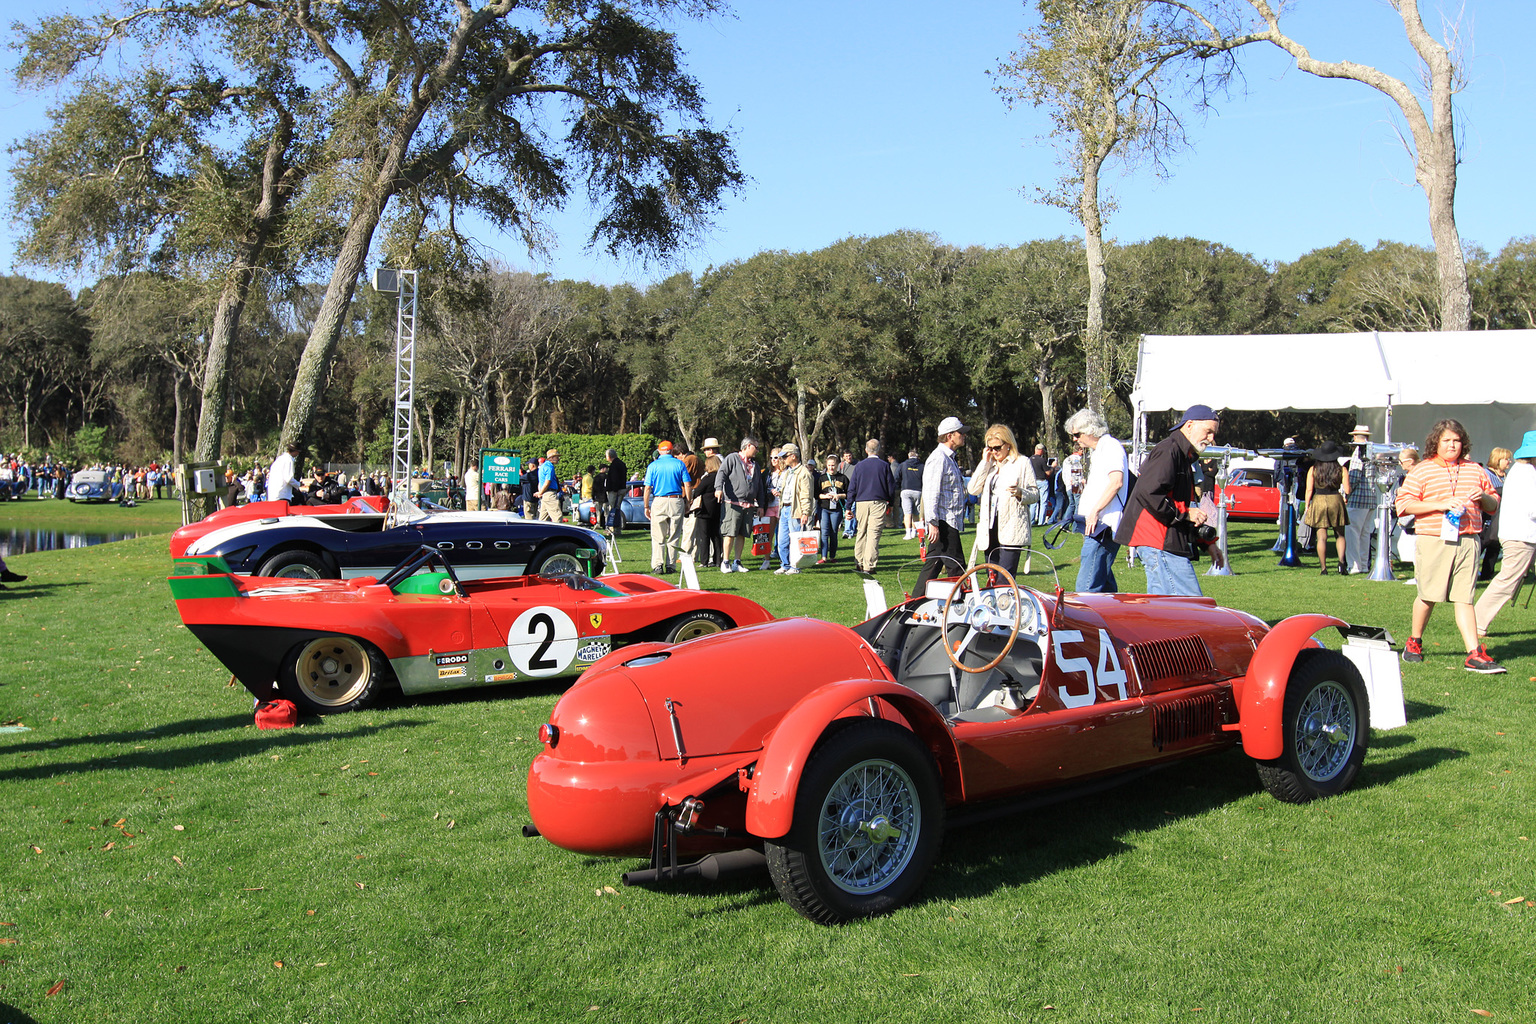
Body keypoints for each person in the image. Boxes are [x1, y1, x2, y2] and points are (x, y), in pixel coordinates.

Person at [1395, 418, 1503, 674]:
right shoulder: (1422, 470)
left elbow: (1493, 504)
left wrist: (1485, 497)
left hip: (1468, 539)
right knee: (1428, 595)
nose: (1452, 445)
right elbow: (1404, 505)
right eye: (1447, 441)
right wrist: (1440, 504)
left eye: (1457, 440)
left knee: (1465, 597)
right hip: (1434, 539)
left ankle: (1474, 653)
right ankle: (1414, 642)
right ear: (1436, 443)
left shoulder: (1476, 470)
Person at [1115, 404, 1226, 596]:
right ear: (1189, 425)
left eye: (1213, 433)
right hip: (1159, 541)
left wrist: (1207, 543)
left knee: (1163, 611)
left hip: (1163, 541)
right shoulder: (1169, 451)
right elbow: (1150, 493)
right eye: (1208, 432)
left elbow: (1171, 501)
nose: (1211, 438)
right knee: (1190, 608)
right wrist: (1185, 512)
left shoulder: (1181, 454)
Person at [1474, 432, 1536, 639]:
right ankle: (1477, 622)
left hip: (1519, 533)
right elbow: (1532, 509)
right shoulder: (1527, 473)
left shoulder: (1521, 471)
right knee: (1508, 580)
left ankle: (1476, 621)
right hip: (1522, 535)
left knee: (1508, 579)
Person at [1066, 408, 1128, 593]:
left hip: (1103, 526)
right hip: (1097, 525)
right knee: (1104, 584)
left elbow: (1116, 482)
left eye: (1077, 434)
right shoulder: (1099, 450)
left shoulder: (1110, 447)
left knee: (1087, 587)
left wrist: (1094, 512)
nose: (1075, 439)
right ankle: (1115, 619)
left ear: (1090, 430)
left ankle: (1083, 620)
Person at [966, 424, 1038, 577]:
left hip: (1011, 527)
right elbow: (972, 489)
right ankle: (992, 601)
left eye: (998, 447)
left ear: (1008, 444)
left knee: (1004, 579)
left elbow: (1035, 494)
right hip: (989, 528)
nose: (994, 452)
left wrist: (1020, 493)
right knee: (991, 576)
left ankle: (1005, 601)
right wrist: (984, 463)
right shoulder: (989, 465)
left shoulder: (1022, 462)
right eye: (990, 448)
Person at [913, 418, 969, 592]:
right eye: (961, 432)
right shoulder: (938, 459)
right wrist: (933, 523)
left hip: (948, 520)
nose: (964, 435)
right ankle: (959, 603)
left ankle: (914, 602)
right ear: (950, 436)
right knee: (956, 566)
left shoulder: (949, 458)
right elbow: (931, 492)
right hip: (943, 521)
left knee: (934, 564)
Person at [716, 437, 766, 574]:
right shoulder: (732, 458)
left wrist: (760, 505)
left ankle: (737, 562)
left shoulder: (755, 464)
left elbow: (759, 486)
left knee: (742, 534)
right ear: (748, 446)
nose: (757, 451)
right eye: (756, 447)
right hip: (732, 503)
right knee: (729, 533)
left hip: (749, 505)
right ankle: (725, 562)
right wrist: (718, 488)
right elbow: (721, 473)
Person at [1302, 440, 1352, 575]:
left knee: (1322, 536)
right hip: (1336, 499)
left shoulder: (1313, 469)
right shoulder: (1342, 469)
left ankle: (1323, 568)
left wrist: (1307, 505)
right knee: (1340, 534)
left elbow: (1308, 489)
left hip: (1319, 500)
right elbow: (1347, 490)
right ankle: (1342, 563)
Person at [847, 438, 896, 574]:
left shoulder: (859, 466)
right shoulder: (884, 466)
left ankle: (859, 561)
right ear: (879, 449)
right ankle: (869, 565)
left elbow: (852, 487)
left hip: (861, 502)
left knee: (861, 531)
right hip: (878, 502)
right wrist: (890, 503)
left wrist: (848, 506)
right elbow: (891, 487)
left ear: (866, 450)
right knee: (873, 533)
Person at [643, 440, 691, 574]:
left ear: (659, 451)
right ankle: (671, 565)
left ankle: (658, 565)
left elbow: (647, 488)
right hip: (676, 500)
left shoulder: (653, 466)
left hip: (659, 500)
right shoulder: (679, 464)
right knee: (674, 535)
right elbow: (687, 485)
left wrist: (646, 506)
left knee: (658, 535)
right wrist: (688, 502)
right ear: (671, 451)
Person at [773, 443, 814, 575]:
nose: (782, 459)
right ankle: (785, 564)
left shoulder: (804, 473)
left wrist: (805, 512)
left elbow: (806, 495)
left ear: (793, 456)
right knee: (782, 540)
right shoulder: (788, 472)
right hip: (784, 509)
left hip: (795, 510)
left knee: (795, 540)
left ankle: (795, 566)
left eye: (785, 456)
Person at [1343, 425, 1377, 574]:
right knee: (1365, 534)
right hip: (1371, 498)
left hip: (1357, 499)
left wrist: (1346, 494)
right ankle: (1363, 565)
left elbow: (1354, 477)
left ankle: (1354, 565)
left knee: (1353, 534)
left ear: (1356, 437)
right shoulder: (1373, 451)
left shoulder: (1359, 452)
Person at [1479, 446, 1512, 581]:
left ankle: (1487, 574)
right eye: (1506, 459)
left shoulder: (1506, 476)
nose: (1509, 461)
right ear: (1497, 460)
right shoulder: (1487, 474)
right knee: (1483, 543)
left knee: (1495, 546)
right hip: (1488, 516)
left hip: (1502, 516)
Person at [816, 453, 849, 564]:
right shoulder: (822, 478)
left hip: (837, 509)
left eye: (833, 465)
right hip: (824, 508)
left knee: (833, 532)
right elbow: (816, 495)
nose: (831, 467)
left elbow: (848, 494)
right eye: (829, 465)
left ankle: (832, 556)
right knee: (824, 532)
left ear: (838, 465)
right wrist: (825, 496)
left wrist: (839, 496)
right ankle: (824, 557)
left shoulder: (843, 478)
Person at [896, 449, 923, 539]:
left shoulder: (902, 465)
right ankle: (914, 532)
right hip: (918, 491)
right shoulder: (922, 466)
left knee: (907, 513)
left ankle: (908, 533)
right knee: (916, 513)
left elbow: (896, 477)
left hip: (906, 490)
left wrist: (898, 486)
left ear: (908, 456)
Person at [599, 448, 627, 531]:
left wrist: (614, 490)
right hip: (621, 489)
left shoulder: (614, 465)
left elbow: (615, 479)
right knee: (617, 509)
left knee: (613, 509)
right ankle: (617, 528)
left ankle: (613, 528)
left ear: (609, 456)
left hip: (615, 491)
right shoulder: (621, 464)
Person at [536, 449, 563, 521]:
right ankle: (558, 532)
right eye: (556, 457)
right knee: (557, 516)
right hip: (550, 494)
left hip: (545, 495)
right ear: (551, 458)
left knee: (543, 519)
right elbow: (547, 481)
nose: (558, 459)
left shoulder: (543, 466)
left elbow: (540, 482)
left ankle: (539, 532)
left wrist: (540, 492)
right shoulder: (550, 467)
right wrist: (540, 492)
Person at [1028, 443, 1050, 524]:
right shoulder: (1042, 460)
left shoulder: (1029, 459)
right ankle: (1041, 521)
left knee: (1033, 502)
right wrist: (1053, 468)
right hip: (1041, 481)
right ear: (1041, 450)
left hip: (1033, 482)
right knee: (1043, 502)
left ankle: (1031, 521)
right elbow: (1047, 473)